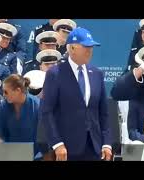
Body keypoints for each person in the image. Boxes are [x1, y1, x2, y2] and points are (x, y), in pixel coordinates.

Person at [41, 27, 112, 161]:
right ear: (72, 48)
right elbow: (47, 112)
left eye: (91, 46)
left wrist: (107, 142)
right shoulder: (55, 74)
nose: (90, 50)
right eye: (86, 46)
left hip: (94, 147)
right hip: (66, 149)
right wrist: (57, 144)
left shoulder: (97, 74)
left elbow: (103, 112)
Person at [0, 74, 40, 157]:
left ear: (18, 90)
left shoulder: (37, 106)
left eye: (6, 92)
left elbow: (45, 137)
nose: (4, 95)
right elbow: (0, 135)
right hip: (10, 154)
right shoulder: (3, 107)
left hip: (35, 155)